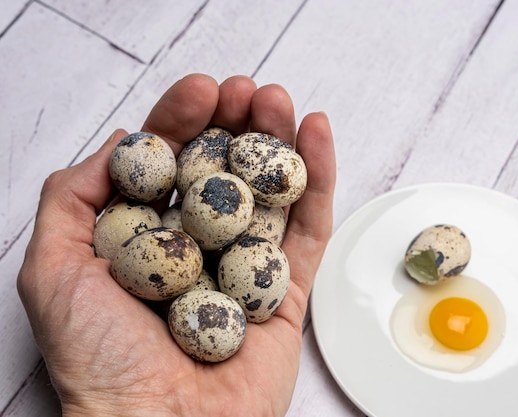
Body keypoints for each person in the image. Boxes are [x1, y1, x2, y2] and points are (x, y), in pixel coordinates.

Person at [16, 74, 336, 417]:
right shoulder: (182, 242)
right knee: (186, 256)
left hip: (208, 272)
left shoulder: (226, 237)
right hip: (180, 277)